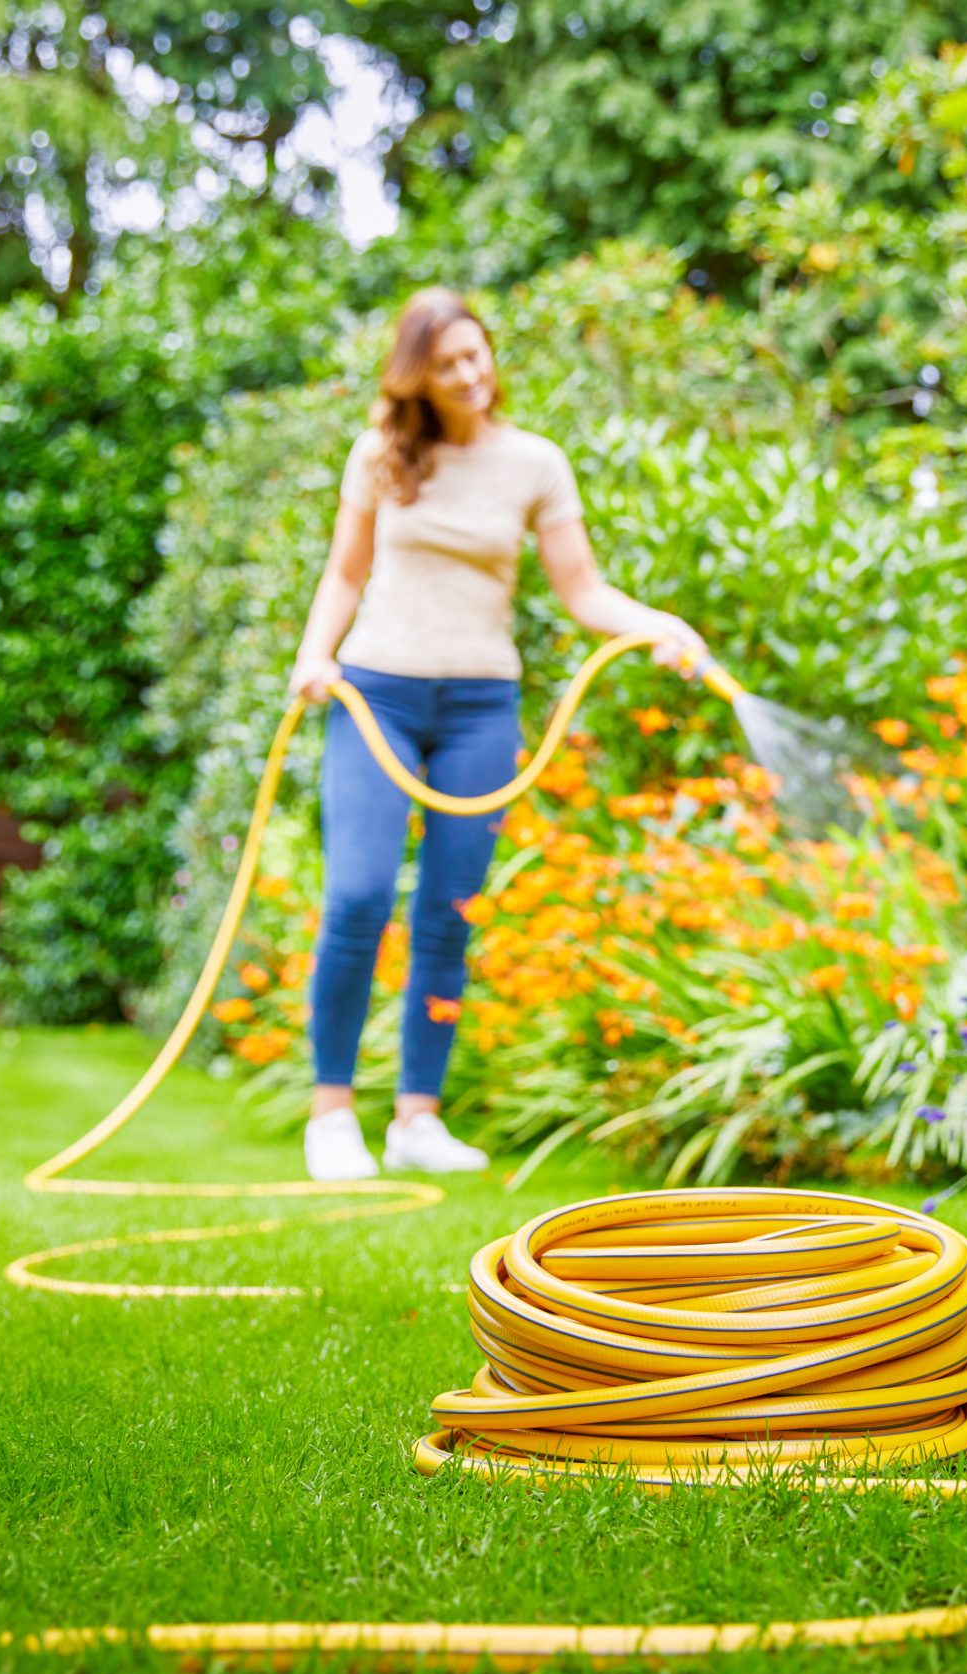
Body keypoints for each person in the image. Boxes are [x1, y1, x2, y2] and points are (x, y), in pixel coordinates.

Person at [285, 288, 710, 1180]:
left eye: (477, 356)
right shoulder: (380, 457)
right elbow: (345, 571)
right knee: (359, 896)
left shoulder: (535, 464)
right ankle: (332, 1115)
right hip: (378, 695)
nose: (471, 375)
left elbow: (582, 590)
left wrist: (657, 625)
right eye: (448, 365)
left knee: (450, 912)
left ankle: (416, 1119)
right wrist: (313, 655)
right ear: (418, 377)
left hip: (481, 703)